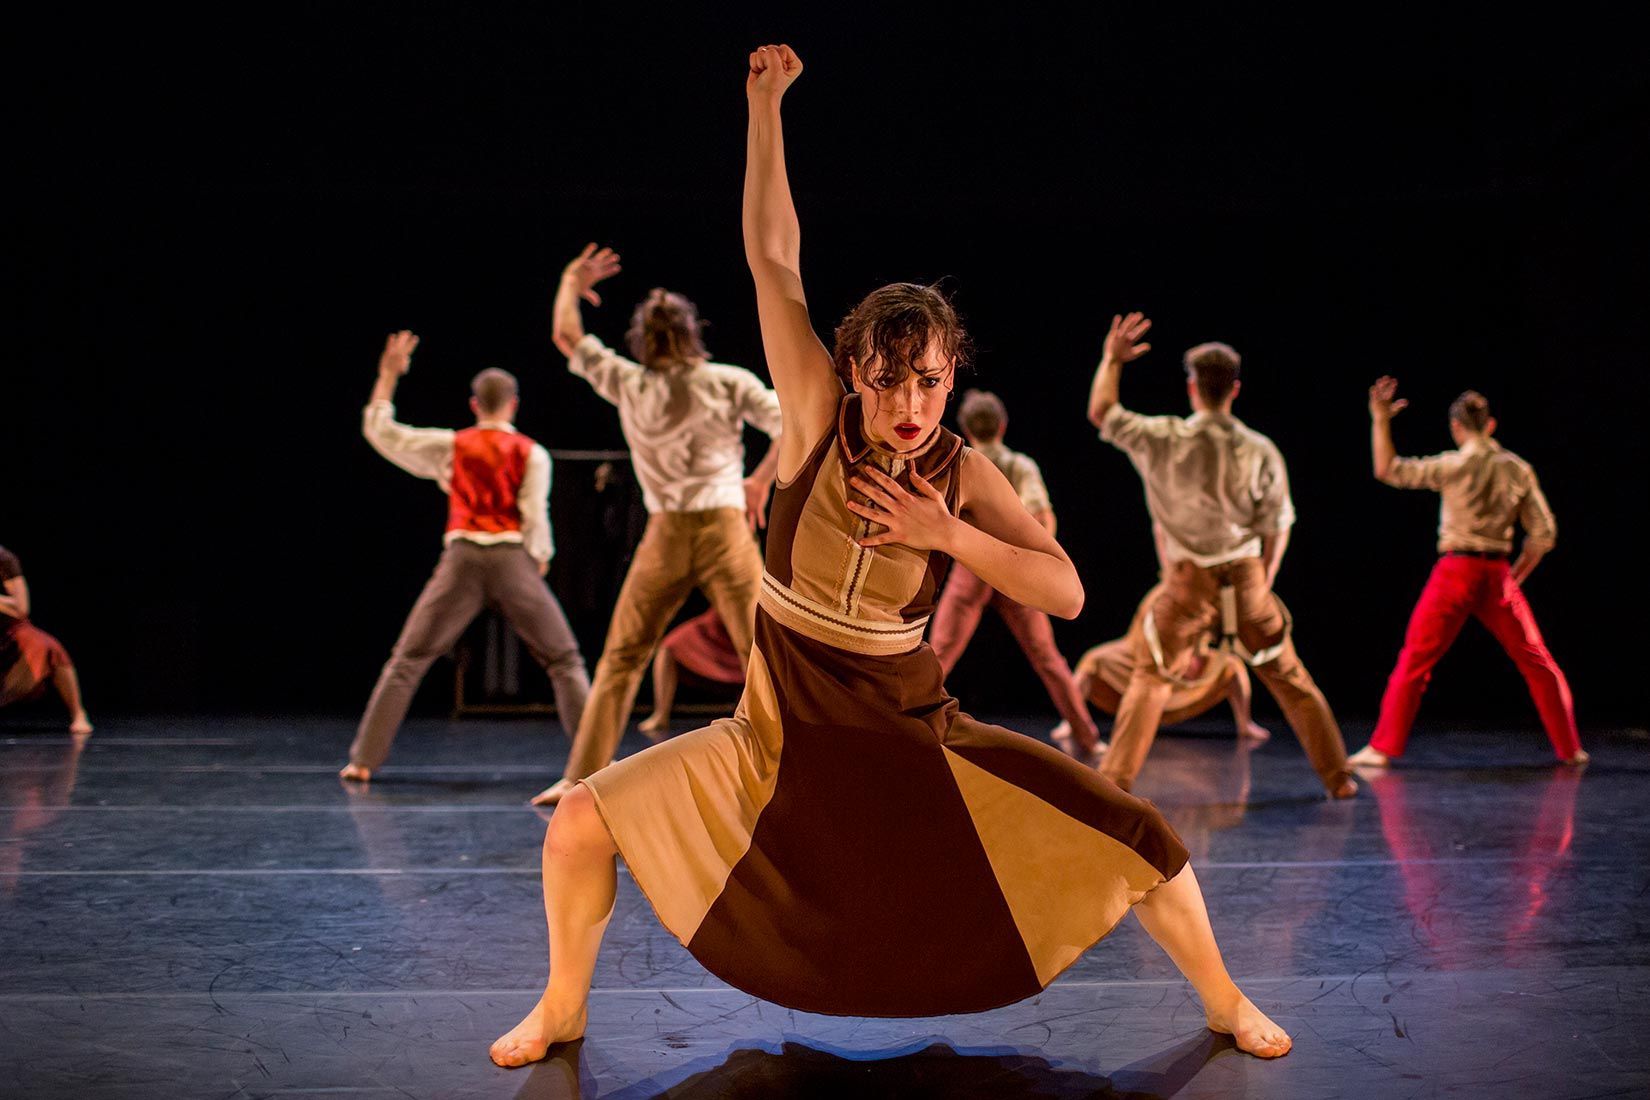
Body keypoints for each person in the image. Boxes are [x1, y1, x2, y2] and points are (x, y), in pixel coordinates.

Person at [490, 44, 1291, 1070]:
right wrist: (765, 109)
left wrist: (947, 535)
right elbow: (772, 256)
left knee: (1139, 837)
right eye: (888, 380)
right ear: (852, 371)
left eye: (927, 381)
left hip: (912, 731)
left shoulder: (960, 470)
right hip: (774, 737)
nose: (908, 404)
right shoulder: (817, 415)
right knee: (579, 826)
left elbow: (1067, 583)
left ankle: (1226, 996)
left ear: (951, 375)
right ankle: (562, 1007)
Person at [528, 247, 784, 806]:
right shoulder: (724, 380)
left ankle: (579, 779)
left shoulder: (631, 383)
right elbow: (792, 425)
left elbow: (567, 337)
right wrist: (760, 480)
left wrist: (571, 281)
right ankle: (791, 762)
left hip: (667, 532)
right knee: (762, 653)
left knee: (623, 656)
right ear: (693, 333)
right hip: (723, 529)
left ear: (643, 340)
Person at [1089, 317, 1355, 799]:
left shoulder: (1164, 437)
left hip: (1189, 582)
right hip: (1247, 578)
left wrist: (1112, 359)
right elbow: (1278, 526)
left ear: (1192, 388)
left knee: (1150, 678)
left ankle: (1114, 785)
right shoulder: (1260, 449)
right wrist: (1264, 580)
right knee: (1291, 679)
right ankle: (1339, 779)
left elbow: (1103, 411)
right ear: (1235, 389)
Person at [340, 332, 590, 784]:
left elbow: (382, 432)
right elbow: (535, 513)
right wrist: (540, 558)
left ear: (475, 405)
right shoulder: (532, 453)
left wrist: (387, 376)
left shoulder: (450, 446)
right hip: (512, 557)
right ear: (513, 404)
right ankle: (594, 763)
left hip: (461, 560)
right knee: (565, 659)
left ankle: (363, 760)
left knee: (408, 659)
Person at [1346, 379, 1586, 768]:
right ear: (1490, 425)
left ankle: (1382, 747)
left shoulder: (1453, 464)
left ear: (1457, 427)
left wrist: (1380, 420)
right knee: (1538, 663)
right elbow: (1544, 534)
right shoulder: (1517, 469)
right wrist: (1516, 575)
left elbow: (1387, 469)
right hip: (1496, 574)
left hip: (1455, 571)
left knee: (1415, 661)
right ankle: (1570, 749)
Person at [927, 390, 1103, 761]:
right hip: (1013, 569)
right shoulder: (1019, 465)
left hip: (972, 567)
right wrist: (1040, 557)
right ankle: (1089, 738)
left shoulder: (962, 462)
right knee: (1048, 659)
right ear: (1002, 425)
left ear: (967, 429)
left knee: (939, 655)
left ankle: (903, 724)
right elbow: (1042, 516)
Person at [1062, 580, 1273, 743]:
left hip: (1184, 671)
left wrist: (1195, 655)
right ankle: (1071, 722)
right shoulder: (1161, 596)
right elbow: (1142, 637)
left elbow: (1207, 635)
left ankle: (1245, 724)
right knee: (1094, 660)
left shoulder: (1208, 597)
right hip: (1143, 661)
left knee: (1232, 666)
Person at [0, 545, 92, 734]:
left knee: (47, 646)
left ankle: (78, 713)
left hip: (9, 630)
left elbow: (21, 608)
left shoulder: (4, 558)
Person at [636, 607, 743, 737]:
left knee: (755, 656)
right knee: (668, 648)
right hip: (720, 621)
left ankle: (751, 715)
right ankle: (660, 715)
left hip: (748, 620)